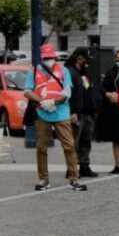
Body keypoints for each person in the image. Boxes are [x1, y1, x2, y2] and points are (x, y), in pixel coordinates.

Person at [26, 43, 88, 192]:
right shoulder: (34, 71)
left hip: (61, 113)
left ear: (55, 57)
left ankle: (74, 178)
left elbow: (67, 92)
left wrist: (53, 102)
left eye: (50, 57)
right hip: (42, 114)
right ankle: (43, 179)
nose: (49, 60)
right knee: (41, 148)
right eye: (46, 57)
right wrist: (42, 102)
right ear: (42, 57)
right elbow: (27, 91)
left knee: (69, 146)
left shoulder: (64, 71)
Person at [68, 48, 100, 178]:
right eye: (85, 59)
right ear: (78, 58)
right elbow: (69, 94)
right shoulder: (70, 72)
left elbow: (90, 90)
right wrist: (72, 112)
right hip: (76, 113)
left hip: (88, 113)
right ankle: (72, 169)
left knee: (86, 142)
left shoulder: (84, 73)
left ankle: (84, 166)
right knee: (74, 142)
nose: (87, 62)